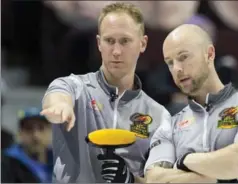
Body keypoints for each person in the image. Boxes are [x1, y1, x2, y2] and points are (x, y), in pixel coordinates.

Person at [40, 2, 170, 183]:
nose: (116, 51)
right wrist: (61, 106)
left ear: (142, 43)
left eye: (125, 41)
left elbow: (160, 178)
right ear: (99, 43)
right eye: (109, 41)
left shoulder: (159, 115)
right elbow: (58, 95)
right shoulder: (74, 87)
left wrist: (130, 179)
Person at [144, 24, 238, 183]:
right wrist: (216, 177)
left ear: (209, 54)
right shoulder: (170, 125)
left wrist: (184, 161)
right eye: (170, 63)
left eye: (183, 57)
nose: (177, 69)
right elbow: (154, 179)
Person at [2, 107, 53, 183]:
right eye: (28, 129)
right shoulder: (6, 164)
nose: (36, 135)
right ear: (20, 133)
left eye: (41, 128)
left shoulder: (60, 161)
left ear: (50, 131)